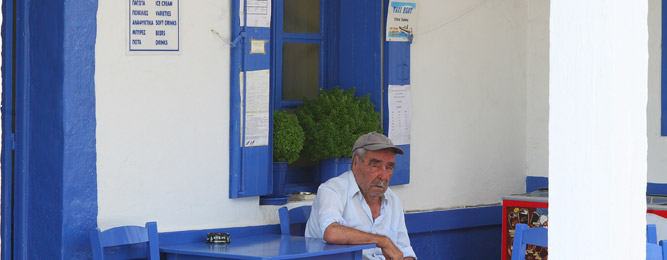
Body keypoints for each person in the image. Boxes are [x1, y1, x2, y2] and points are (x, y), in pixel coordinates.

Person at [305, 132, 417, 260]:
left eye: (389, 167)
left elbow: (405, 251)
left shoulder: (392, 199)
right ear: (356, 163)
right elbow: (331, 232)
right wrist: (382, 241)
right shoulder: (332, 190)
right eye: (375, 166)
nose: (383, 176)